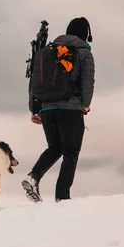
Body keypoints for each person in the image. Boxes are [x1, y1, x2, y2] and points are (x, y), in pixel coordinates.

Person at [22, 17, 95, 203]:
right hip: (70, 109)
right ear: (85, 34)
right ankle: (62, 197)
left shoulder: (48, 50)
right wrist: (85, 104)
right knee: (70, 152)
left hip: (47, 109)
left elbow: (34, 81)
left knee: (54, 148)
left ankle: (33, 177)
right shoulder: (84, 53)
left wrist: (35, 109)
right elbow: (87, 81)